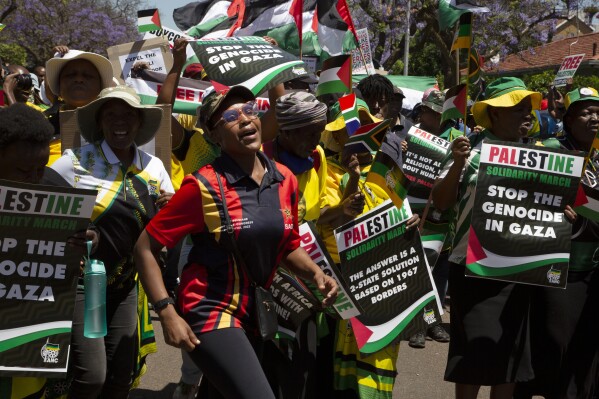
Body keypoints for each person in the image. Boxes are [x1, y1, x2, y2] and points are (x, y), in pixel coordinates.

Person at [134, 85, 338, 399]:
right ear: (215, 136)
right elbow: (145, 247)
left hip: (255, 314)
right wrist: (166, 311)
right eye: (230, 117)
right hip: (209, 309)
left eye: (249, 111)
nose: (244, 120)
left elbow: (287, 245)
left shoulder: (285, 180)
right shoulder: (202, 186)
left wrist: (316, 274)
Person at [433, 77, 576, 399]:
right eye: (518, 109)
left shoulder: (542, 156)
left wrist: (564, 216)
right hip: (473, 268)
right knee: (472, 352)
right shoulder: (468, 151)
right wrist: (457, 163)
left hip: (520, 270)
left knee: (511, 355)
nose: (528, 115)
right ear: (494, 114)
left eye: (529, 109)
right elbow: (441, 203)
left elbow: (552, 210)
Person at [50, 85, 173, 398]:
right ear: (100, 122)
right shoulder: (73, 163)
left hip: (126, 285)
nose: (120, 121)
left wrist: (168, 209)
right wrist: (66, 240)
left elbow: (167, 225)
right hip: (83, 286)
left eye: (128, 114)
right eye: (111, 114)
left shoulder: (154, 166)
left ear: (138, 122)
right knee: (91, 377)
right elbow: (41, 211)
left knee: (121, 378)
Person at [514, 87, 599, 399]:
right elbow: (525, 198)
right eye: (587, 112)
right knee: (550, 342)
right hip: (551, 265)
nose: (595, 119)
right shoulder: (550, 149)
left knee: (584, 348)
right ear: (570, 117)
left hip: (590, 270)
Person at [44, 47, 115, 164]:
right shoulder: (42, 127)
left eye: (88, 76)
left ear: (100, 87)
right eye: (71, 75)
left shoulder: (117, 127)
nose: (79, 79)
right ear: (59, 86)